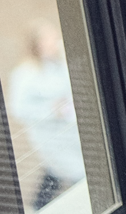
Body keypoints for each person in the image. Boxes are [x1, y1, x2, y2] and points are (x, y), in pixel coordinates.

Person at [9, 22, 83, 208]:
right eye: (50, 39)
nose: (55, 42)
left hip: (70, 132)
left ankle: (37, 208)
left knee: (55, 174)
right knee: (77, 174)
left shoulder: (59, 66)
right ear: (37, 43)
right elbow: (18, 109)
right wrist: (51, 110)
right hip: (49, 135)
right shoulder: (25, 74)